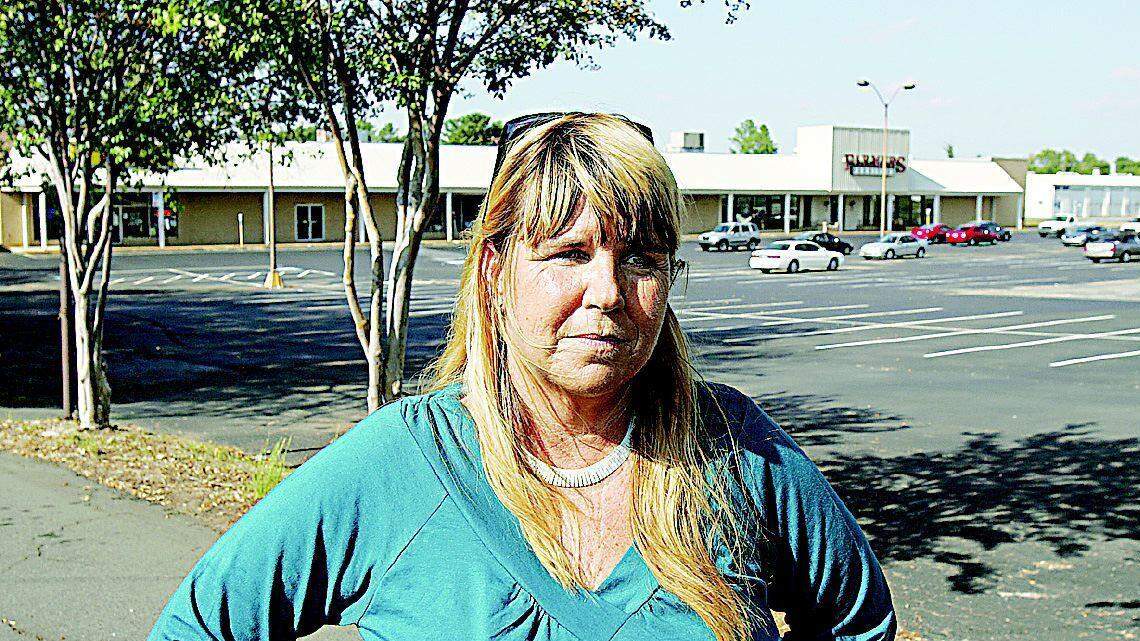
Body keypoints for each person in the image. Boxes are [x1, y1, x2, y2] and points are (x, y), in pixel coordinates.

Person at [148, 112, 895, 641]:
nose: (608, 289)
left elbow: (859, 619)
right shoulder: (399, 465)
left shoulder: (735, 452)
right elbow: (198, 623)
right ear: (496, 273)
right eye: (570, 253)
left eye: (641, 258)